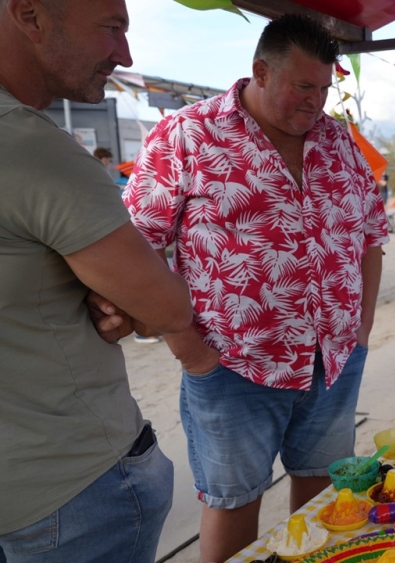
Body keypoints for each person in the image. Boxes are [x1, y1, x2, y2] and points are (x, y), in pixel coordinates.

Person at [123, 15, 388, 562]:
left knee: (323, 492)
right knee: (233, 503)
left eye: (324, 87)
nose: (316, 102)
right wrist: (192, 354)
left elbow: (370, 239)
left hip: (334, 360)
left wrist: (360, 332)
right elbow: (136, 251)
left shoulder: (339, 140)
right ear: (260, 72)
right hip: (232, 368)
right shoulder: (188, 134)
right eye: (303, 87)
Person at [0, 0, 194, 561]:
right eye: (112, 28)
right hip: (69, 488)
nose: (125, 53)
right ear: (31, 16)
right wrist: (126, 299)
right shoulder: (31, 148)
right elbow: (169, 310)